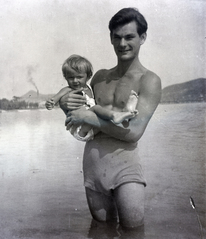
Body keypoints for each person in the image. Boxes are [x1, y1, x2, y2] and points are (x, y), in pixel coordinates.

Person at [60, 8, 161, 228]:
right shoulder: (98, 77)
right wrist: (64, 104)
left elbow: (133, 132)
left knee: (133, 230)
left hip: (126, 167)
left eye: (129, 37)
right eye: (117, 37)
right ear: (111, 39)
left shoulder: (149, 80)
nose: (122, 43)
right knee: (102, 229)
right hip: (93, 166)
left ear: (142, 38)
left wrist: (88, 117)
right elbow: (77, 113)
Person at [46, 54, 139, 141]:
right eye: (71, 78)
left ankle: (126, 112)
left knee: (107, 119)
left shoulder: (89, 88)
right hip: (79, 128)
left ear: (88, 76)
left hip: (92, 125)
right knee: (96, 109)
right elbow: (56, 98)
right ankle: (115, 115)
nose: (75, 81)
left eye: (79, 77)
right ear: (65, 77)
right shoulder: (68, 89)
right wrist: (52, 102)